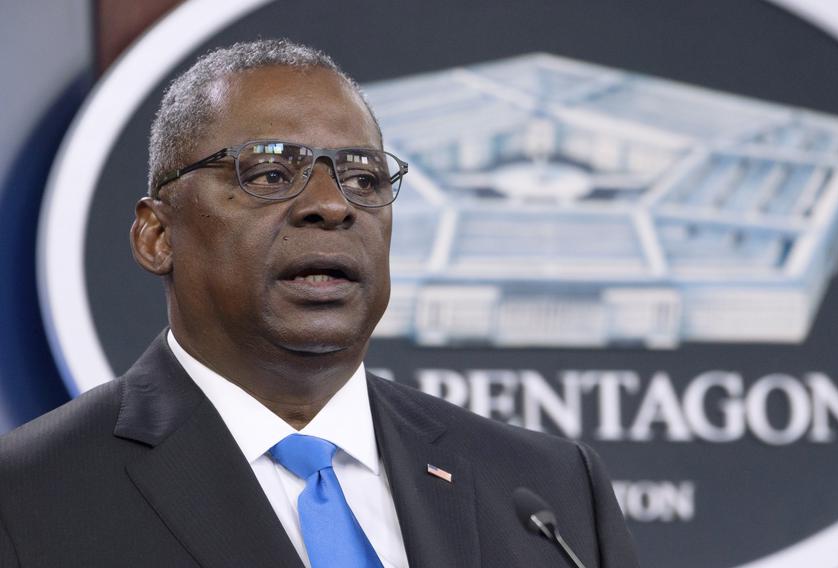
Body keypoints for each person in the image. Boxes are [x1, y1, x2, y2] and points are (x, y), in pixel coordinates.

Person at [0, 39, 638, 567]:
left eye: (363, 178)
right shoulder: (28, 496)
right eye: (271, 173)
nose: (332, 206)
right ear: (158, 235)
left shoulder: (549, 494)